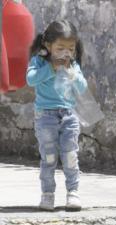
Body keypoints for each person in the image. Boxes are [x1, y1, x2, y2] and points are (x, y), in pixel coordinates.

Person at [26, 20, 87, 211]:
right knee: (49, 157)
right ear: (48, 45)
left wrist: (73, 74)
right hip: (45, 116)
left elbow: (82, 87)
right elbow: (31, 79)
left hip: (69, 115)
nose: (65, 53)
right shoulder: (39, 61)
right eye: (60, 48)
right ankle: (48, 194)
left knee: (70, 155)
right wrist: (51, 68)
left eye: (70, 48)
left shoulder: (73, 64)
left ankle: (73, 192)